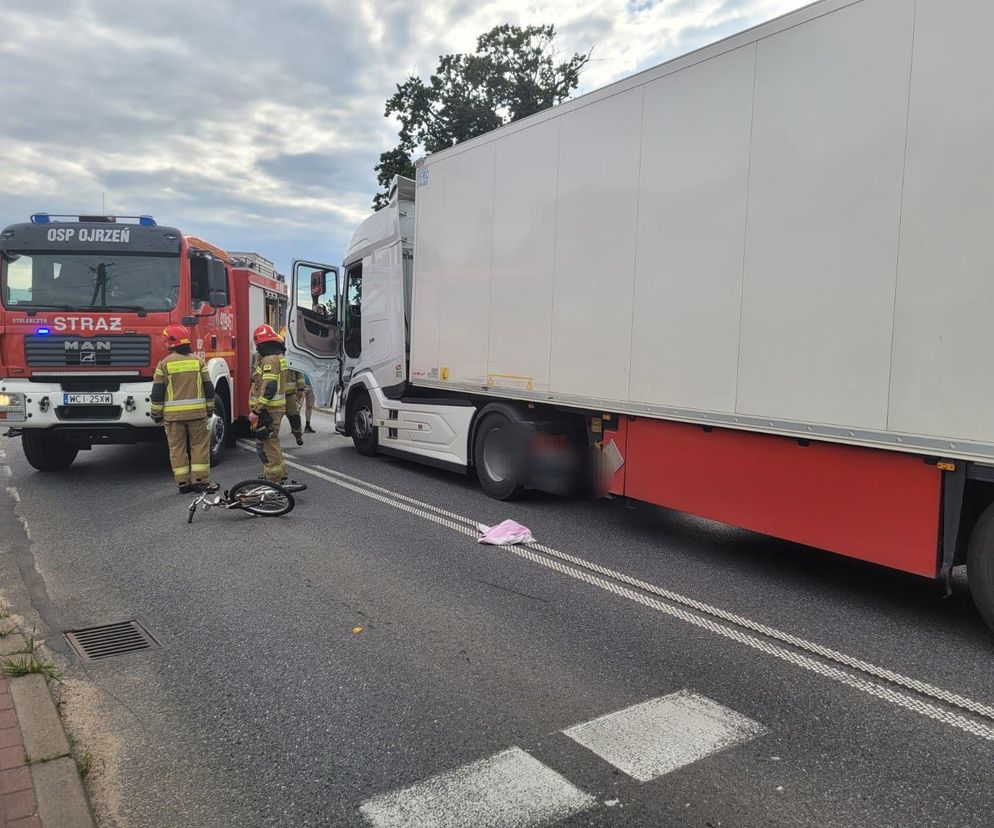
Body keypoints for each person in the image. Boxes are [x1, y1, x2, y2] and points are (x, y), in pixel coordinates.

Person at [150, 324, 215, 493]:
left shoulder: (164, 364)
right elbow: (209, 388)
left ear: (172, 342)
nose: (164, 344)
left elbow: (157, 392)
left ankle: (183, 483)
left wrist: (156, 413)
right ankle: (200, 481)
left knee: (177, 449)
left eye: (166, 341)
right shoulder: (198, 361)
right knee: (199, 446)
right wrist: (210, 408)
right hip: (197, 414)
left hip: (173, 418)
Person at [249, 324, 287, 483]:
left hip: (268, 411)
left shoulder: (270, 360)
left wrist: (256, 411)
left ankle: (274, 480)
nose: (258, 350)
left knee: (266, 446)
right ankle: (278, 475)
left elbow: (269, 388)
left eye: (258, 347)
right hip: (273, 410)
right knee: (272, 443)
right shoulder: (278, 357)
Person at [278, 328, 305, 446]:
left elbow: (299, 373)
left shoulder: (292, 357)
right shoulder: (273, 358)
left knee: (294, 417)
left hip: (290, 396)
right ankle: (273, 440)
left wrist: (301, 389)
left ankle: (298, 435)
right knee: (274, 421)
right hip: (277, 396)